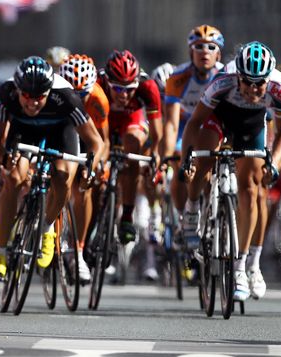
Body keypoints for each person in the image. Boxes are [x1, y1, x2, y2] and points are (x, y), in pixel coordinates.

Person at [181, 41, 281, 301]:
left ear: (268, 80)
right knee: (204, 162)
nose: (254, 90)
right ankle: (192, 208)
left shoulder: (280, 90)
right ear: (237, 77)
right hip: (219, 117)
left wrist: (273, 163)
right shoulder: (222, 82)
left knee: (252, 188)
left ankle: (245, 266)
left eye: (259, 84)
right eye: (247, 83)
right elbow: (195, 122)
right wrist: (188, 159)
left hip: (252, 125)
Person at [0, 56, 103, 280]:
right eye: (27, 96)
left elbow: (96, 142)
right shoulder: (6, 94)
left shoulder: (66, 97)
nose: (32, 103)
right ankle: (0, 253)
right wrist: (4, 160)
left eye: (39, 97)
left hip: (60, 132)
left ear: (49, 92)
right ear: (18, 90)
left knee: (62, 177)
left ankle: (48, 228)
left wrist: (90, 168)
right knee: (13, 179)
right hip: (23, 132)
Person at [161, 25, 225, 246]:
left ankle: (215, 211)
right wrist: (167, 155)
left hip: (214, 125)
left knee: (214, 165)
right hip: (185, 125)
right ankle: (184, 219)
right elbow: (170, 124)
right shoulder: (178, 78)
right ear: (190, 52)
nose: (204, 52)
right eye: (198, 47)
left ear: (218, 53)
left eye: (211, 47)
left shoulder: (224, 75)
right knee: (182, 165)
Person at [97, 50, 162, 245]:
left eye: (129, 89)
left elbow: (157, 131)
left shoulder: (148, 87)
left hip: (130, 119)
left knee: (133, 147)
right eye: (117, 89)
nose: (123, 94)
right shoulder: (98, 85)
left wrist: (155, 154)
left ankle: (127, 215)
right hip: (104, 119)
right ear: (107, 81)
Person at [58, 53, 110, 283]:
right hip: (62, 133)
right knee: (61, 178)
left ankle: (78, 250)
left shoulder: (99, 99)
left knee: (87, 188)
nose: (77, 98)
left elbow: (103, 140)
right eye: (73, 93)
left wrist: (96, 165)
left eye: (82, 94)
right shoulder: (56, 93)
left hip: (88, 139)